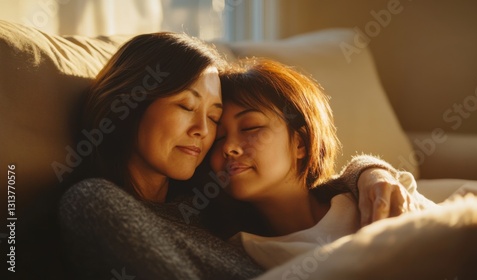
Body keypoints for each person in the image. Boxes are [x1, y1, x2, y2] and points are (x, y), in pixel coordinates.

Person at [59, 32, 419, 280]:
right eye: (186, 105)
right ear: (128, 106)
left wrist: (370, 171)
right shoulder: (94, 201)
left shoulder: (209, 204)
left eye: (213, 116)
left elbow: (309, 196)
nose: (206, 131)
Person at [209, 58, 436, 269]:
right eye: (218, 137)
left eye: (250, 128)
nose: (229, 147)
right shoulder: (242, 250)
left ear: (301, 143)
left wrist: (370, 172)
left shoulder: (374, 196)